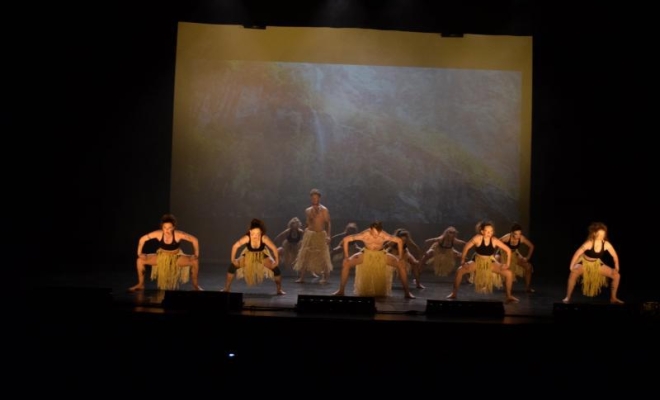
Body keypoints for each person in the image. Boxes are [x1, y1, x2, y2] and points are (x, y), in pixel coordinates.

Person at [332, 221, 415, 299]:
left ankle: (407, 292)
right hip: (366, 253)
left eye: (377, 233)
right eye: (373, 233)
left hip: (381, 254)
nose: (375, 235)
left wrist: (400, 257)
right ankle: (341, 290)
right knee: (346, 263)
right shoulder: (364, 234)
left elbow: (399, 241)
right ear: (370, 230)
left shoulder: (384, 235)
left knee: (401, 264)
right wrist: (346, 256)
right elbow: (346, 239)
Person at [446, 220, 519, 303]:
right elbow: (466, 247)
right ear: (482, 231)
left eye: (491, 231)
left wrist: (507, 264)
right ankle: (454, 293)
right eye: (487, 231)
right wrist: (463, 261)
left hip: (490, 261)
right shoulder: (477, 238)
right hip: (477, 261)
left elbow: (508, 250)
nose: (490, 233)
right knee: (460, 270)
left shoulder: (494, 240)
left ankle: (509, 296)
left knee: (508, 273)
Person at [129, 213, 202, 291]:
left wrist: (196, 254)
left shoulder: (178, 234)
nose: (167, 230)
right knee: (140, 260)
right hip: (161, 257)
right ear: (162, 227)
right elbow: (142, 239)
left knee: (195, 261)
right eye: (165, 227)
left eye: (169, 228)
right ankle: (140, 284)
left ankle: (196, 286)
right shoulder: (158, 233)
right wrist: (139, 253)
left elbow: (194, 240)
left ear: (173, 227)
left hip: (176, 258)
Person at [561, 222, 623, 304]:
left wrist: (617, 267)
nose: (601, 237)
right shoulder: (589, 243)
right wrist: (571, 266)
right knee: (573, 274)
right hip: (584, 263)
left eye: (603, 235)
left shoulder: (606, 244)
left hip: (596, 264)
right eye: (599, 235)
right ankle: (568, 297)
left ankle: (613, 298)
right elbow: (577, 253)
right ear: (594, 234)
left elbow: (614, 256)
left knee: (616, 275)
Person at [222, 218, 285, 295]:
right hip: (249, 255)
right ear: (250, 232)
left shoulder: (264, 238)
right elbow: (235, 246)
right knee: (232, 266)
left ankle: (279, 290)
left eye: (257, 234)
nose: (255, 236)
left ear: (261, 232)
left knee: (275, 268)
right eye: (253, 233)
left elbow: (274, 248)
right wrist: (233, 259)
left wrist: (276, 261)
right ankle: (227, 288)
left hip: (261, 255)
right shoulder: (247, 238)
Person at [293, 188, 333, 284]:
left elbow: (328, 223)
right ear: (311, 199)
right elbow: (308, 223)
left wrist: (328, 236)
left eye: (316, 197)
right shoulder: (308, 210)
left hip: (320, 234)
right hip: (310, 234)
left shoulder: (324, 210)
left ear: (319, 198)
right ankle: (302, 277)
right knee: (305, 255)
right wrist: (304, 235)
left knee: (323, 255)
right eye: (313, 198)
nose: (314, 199)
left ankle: (325, 277)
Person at [497, 222, 535, 293]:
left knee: (528, 266)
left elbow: (531, 246)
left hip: (514, 254)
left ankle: (528, 288)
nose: (518, 236)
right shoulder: (507, 237)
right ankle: (485, 284)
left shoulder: (521, 238)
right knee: (496, 264)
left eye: (519, 234)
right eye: (516, 234)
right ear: (511, 233)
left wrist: (527, 257)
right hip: (503, 253)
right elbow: (495, 243)